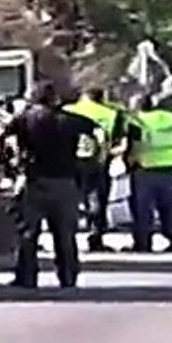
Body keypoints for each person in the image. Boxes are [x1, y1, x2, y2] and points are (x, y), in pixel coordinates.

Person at [2, 80, 99, 288]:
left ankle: (27, 276)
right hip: (66, 182)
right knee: (65, 234)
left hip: (35, 181)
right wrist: (88, 163)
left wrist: (11, 164)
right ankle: (68, 276)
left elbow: (4, 138)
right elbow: (97, 135)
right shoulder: (74, 121)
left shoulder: (25, 119)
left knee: (28, 233)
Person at [63, 87, 126, 252]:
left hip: (69, 162)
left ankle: (67, 238)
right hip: (98, 162)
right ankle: (95, 237)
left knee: (68, 201)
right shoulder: (112, 113)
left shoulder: (68, 110)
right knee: (97, 200)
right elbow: (118, 141)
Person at [124, 93, 172, 253]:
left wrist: (130, 162)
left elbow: (135, 145)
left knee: (142, 207)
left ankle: (143, 242)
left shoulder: (138, 121)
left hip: (146, 167)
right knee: (170, 204)